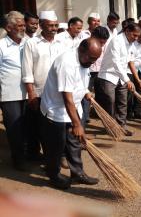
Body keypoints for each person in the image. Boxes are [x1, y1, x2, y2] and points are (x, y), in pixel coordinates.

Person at [40, 38, 101, 189]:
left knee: (74, 144)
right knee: (57, 146)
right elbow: (67, 98)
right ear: (81, 50)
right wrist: (77, 124)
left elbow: (79, 81)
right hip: (56, 111)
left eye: (95, 60)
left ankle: (77, 173)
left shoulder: (84, 60)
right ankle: (54, 176)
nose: (92, 63)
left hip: (73, 108)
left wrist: (85, 91)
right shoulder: (66, 63)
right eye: (91, 58)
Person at [22, 10, 61, 161]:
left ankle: (55, 156)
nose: (54, 28)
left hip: (58, 92)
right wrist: (31, 93)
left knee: (55, 126)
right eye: (50, 25)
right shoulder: (31, 43)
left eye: (56, 25)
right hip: (39, 92)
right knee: (38, 126)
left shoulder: (61, 43)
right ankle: (36, 155)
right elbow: (27, 70)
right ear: (42, 25)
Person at [95, 23, 140, 136]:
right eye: (134, 35)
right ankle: (110, 127)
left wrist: (137, 79)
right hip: (108, 75)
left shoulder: (131, 44)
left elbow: (130, 61)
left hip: (121, 77)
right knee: (110, 101)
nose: (136, 38)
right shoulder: (116, 41)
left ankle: (121, 126)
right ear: (127, 31)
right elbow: (116, 62)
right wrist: (127, 80)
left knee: (122, 102)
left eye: (137, 36)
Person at [0, 11, 28, 170]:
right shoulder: (1, 46)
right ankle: (18, 159)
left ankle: (30, 154)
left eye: (24, 25)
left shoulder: (28, 42)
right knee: (14, 128)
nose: (23, 28)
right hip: (9, 94)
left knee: (28, 126)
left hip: (29, 92)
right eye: (20, 25)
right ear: (9, 27)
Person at [80, 26, 110, 127]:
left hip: (100, 71)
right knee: (84, 100)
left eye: (103, 43)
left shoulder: (104, 44)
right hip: (85, 74)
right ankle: (83, 124)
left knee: (100, 96)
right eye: (100, 42)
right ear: (92, 36)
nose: (101, 45)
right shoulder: (83, 45)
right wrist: (84, 89)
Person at [127, 27, 141, 119]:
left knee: (140, 90)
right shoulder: (131, 44)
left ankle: (138, 111)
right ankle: (129, 112)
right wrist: (137, 78)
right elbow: (130, 62)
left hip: (140, 69)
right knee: (130, 92)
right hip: (129, 70)